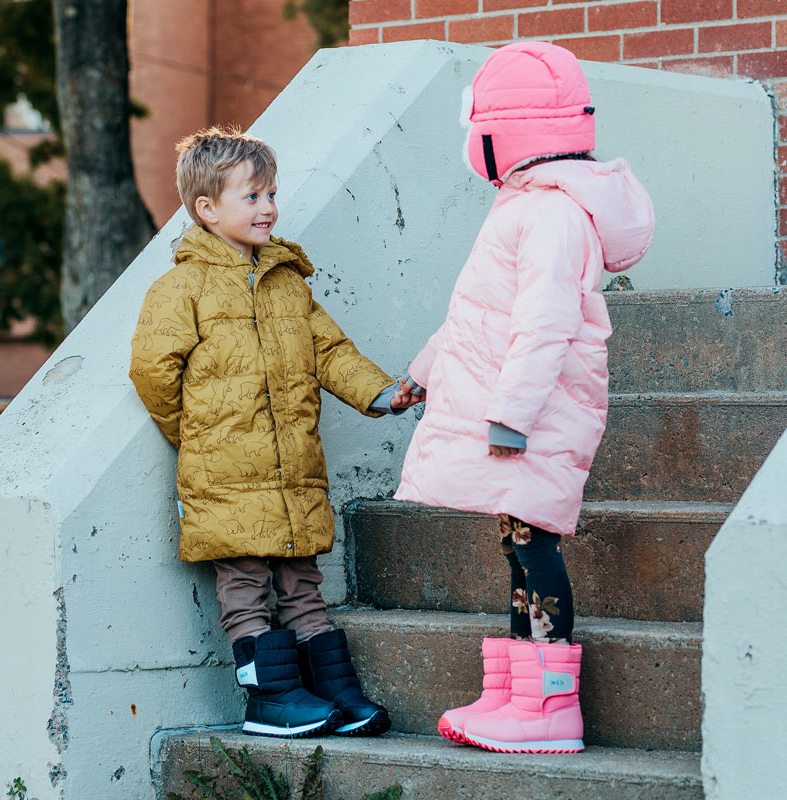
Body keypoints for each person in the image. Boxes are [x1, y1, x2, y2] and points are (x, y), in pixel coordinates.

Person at [394, 42, 654, 753]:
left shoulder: (552, 214)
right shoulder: (528, 205)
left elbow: (544, 323)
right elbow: (476, 314)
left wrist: (510, 414)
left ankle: (549, 708)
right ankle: (516, 694)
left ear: (502, 133)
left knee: (533, 547)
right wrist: (424, 373)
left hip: (532, 416)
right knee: (517, 545)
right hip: (517, 413)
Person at [130, 126, 418, 739]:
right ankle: (269, 700)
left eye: (271, 195)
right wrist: (198, 434)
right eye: (252, 197)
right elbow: (153, 371)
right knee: (245, 587)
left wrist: (380, 392)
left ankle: (331, 692)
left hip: (293, 473)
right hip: (225, 475)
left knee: (302, 585)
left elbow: (330, 351)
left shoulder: (288, 283)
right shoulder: (183, 288)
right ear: (207, 210)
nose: (268, 208)